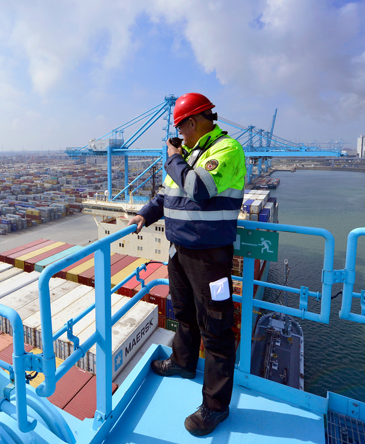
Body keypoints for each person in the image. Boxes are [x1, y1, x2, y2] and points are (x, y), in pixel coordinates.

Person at [127, 92, 246, 436]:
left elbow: (199, 190)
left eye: (181, 127)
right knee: (184, 313)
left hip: (210, 256)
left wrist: (172, 158)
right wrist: (144, 215)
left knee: (217, 327)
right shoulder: (190, 154)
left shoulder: (225, 150)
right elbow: (167, 196)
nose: (179, 134)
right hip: (179, 249)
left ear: (192, 123)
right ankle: (182, 363)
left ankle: (214, 407)